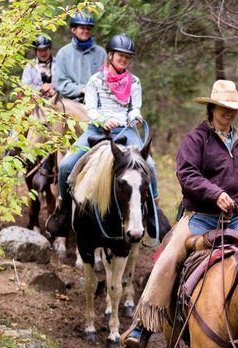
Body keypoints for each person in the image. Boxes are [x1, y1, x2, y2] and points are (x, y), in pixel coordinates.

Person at [121, 80, 238, 348]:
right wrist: (215, 194)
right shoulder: (196, 139)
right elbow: (186, 174)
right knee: (169, 257)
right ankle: (143, 324)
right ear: (211, 108)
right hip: (201, 216)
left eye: (233, 108)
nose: (229, 113)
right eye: (224, 108)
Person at [46, 33, 159, 237]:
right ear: (110, 55)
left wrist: (136, 115)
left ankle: (153, 211)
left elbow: (134, 107)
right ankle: (62, 211)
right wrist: (102, 120)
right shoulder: (95, 81)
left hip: (126, 130)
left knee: (149, 165)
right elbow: (90, 108)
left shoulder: (134, 82)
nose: (123, 59)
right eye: (120, 55)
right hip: (96, 130)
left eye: (127, 56)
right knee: (65, 165)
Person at [53, 11, 106, 102]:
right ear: (73, 30)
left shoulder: (101, 53)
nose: (85, 31)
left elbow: (107, 80)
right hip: (70, 104)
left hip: (97, 102)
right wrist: (80, 90)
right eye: (82, 28)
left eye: (88, 28)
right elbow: (61, 84)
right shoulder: (63, 54)